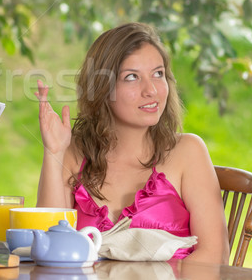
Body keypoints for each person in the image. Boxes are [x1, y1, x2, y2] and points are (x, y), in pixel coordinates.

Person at [35, 22, 229, 263]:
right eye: (132, 77)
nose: (151, 90)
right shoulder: (73, 153)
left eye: (158, 74)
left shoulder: (188, 152)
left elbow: (214, 255)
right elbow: (49, 245)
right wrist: (54, 152)